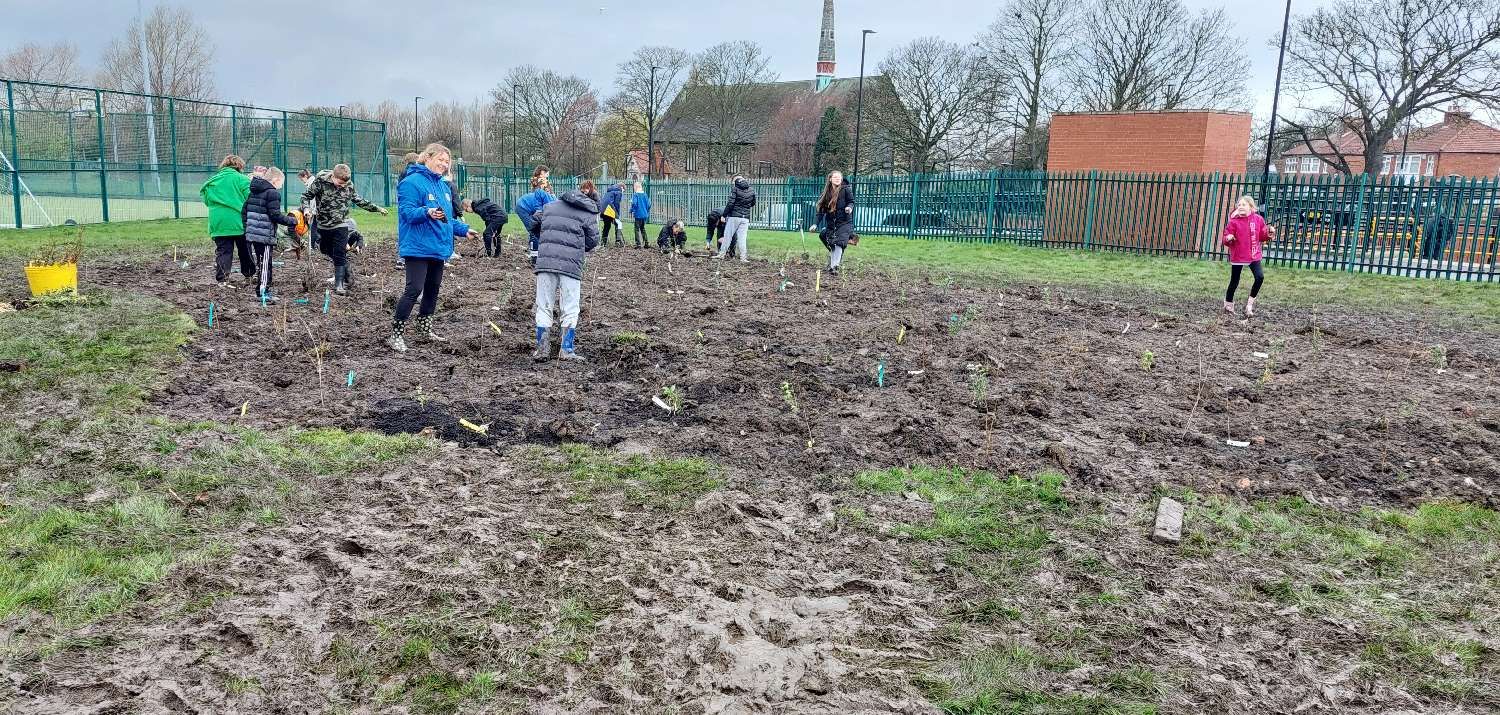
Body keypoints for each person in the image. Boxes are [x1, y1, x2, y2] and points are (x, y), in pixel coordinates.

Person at [387, 143, 477, 353]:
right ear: (427, 157)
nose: (444, 165)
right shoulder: (411, 183)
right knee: (414, 289)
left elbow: (446, 219)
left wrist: (464, 230)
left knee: (433, 289)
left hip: (438, 246)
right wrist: (426, 212)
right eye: (441, 160)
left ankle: (424, 328)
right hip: (418, 246)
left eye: (447, 162)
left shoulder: (443, 187)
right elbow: (407, 213)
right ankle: (396, 334)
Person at [533, 187, 601, 362]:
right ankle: (566, 349)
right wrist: (578, 248)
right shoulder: (587, 212)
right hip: (571, 265)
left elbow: (534, 224)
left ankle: (542, 348)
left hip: (546, 262)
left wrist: (545, 240)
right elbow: (593, 240)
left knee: (544, 305)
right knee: (570, 306)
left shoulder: (549, 207)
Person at [300, 163, 387, 295]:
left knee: (340, 252)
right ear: (332, 176)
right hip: (323, 225)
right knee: (324, 249)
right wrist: (306, 209)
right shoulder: (320, 182)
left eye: (344, 184)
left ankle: (339, 285)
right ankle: (346, 267)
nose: (341, 186)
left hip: (341, 224)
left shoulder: (349, 185)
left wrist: (377, 208)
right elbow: (306, 196)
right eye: (339, 183)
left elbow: (358, 200)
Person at [242, 166, 300, 303]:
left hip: (253, 234)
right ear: (275, 180)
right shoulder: (272, 193)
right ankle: (263, 291)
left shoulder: (253, 191)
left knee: (261, 262)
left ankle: (262, 289)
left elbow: (244, 211)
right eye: (281, 182)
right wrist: (293, 221)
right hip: (265, 236)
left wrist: (248, 227)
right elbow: (275, 216)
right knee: (265, 264)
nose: (281, 185)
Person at [200, 154, 253, 286]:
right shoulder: (242, 179)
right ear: (239, 166)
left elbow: (207, 201)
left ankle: (222, 280)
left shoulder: (212, 181)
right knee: (245, 250)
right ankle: (249, 275)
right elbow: (250, 199)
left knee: (223, 251)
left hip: (218, 223)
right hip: (238, 221)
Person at [1221, 195, 1276, 318]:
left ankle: (1249, 306)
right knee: (1234, 281)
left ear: (1251, 207)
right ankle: (1228, 306)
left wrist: (1269, 232)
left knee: (1260, 277)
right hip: (1238, 255)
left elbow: (1262, 236)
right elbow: (1226, 237)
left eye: (1243, 205)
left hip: (1253, 254)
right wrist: (1228, 238)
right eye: (1239, 205)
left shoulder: (1258, 219)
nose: (1240, 207)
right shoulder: (1233, 222)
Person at [808, 170, 855, 275]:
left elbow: (851, 201)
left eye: (839, 177)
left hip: (844, 222)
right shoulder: (827, 193)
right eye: (835, 177)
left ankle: (834, 267)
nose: (837, 179)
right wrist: (815, 224)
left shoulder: (846, 189)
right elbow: (820, 211)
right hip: (832, 223)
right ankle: (834, 262)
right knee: (831, 242)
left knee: (838, 242)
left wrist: (849, 208)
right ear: (830, 179)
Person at [715, 174, 756, 262]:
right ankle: (743, 258)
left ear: (736, 181)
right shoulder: (751, 190)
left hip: (734, 216)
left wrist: (724, 215)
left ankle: (721, 254)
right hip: (745, 218)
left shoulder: (735, 189)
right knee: (742, 238)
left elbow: (730, 203)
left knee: (727, 236)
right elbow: (753, 203)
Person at [516, 169, 556, 259]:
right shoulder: (549, 200)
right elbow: (541, 212)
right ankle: (534, 258)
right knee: (534, 231)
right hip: (523, 207)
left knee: (538, 231)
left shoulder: (552, 199)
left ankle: (536, 252)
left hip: (531, 208)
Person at [600, 182, 625, 247]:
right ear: (622, 187)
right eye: (624, 190)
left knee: (607, 225)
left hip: (603, 210)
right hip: (610, 209)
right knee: (619, 223)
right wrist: (617, 215)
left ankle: (603, 242)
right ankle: (618, 241)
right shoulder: (619, 192)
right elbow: (617, 204)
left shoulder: (609, 191)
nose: (623, 192)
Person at [629, 182, 651, 249]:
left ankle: (638, 244)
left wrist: (631, 210)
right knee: (642, 228)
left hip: (638, 215)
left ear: (635, 187)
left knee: (636, 229)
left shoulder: (635, 195)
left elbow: (634, 204)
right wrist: (646, 211)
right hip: (644, 215)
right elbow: (649, 205)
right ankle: (646, 243)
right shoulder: (645, 195)